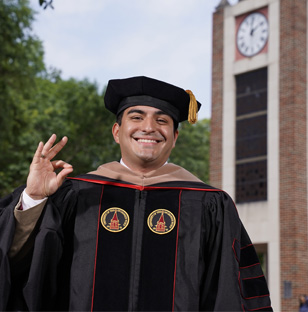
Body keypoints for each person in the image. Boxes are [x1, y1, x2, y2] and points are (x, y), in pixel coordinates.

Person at [0, 76, 272, 311]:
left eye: (162, 120)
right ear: (117, 132)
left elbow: (231, 293)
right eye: (137, 117)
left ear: (175, 136)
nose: (149, 127)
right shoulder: (76, 195)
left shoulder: (208, 204)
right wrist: (34, 199)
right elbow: (24, 268)